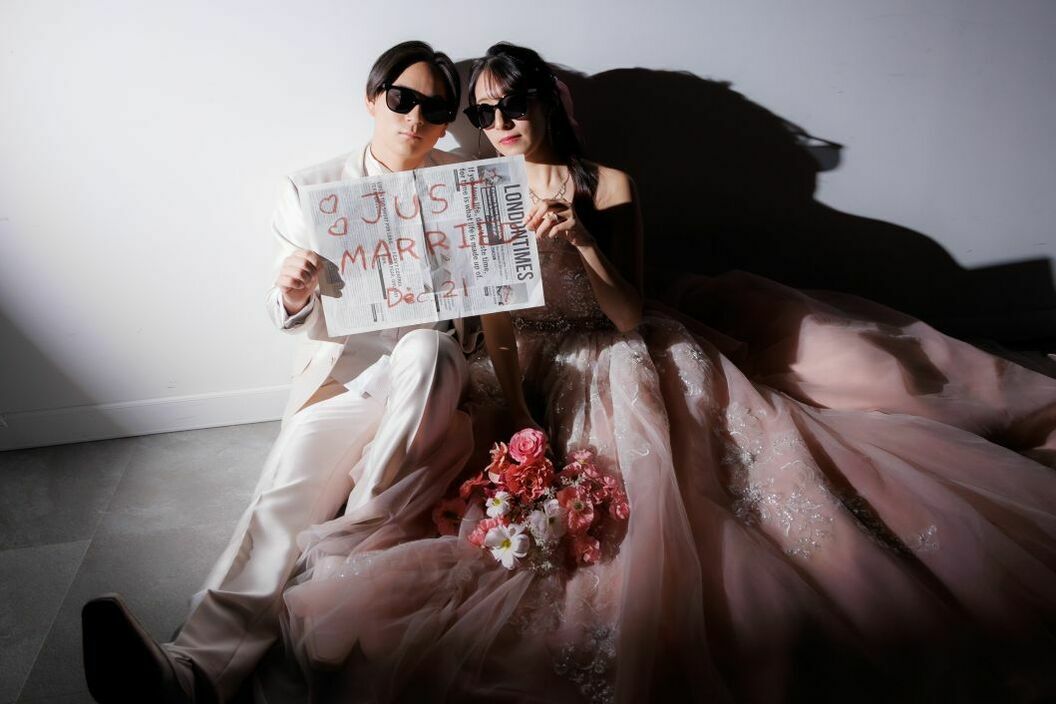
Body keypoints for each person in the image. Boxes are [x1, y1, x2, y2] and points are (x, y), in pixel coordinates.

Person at [258, 43, 1056, 702]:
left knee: (714, 478)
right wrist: (519, 404)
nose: (499, 126)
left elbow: (628, 314)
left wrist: (582, 240)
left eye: (513, 107)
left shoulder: (607, 184)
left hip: (612, 345)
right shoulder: (481, 188)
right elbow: (497, 316)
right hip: (526, 359)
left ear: (546, 104)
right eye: (484, 113)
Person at [81, 40, 477, 704]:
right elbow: (290, 313)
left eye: (434, 109)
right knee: (282, 495)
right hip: (348, 376)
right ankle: (189, 674)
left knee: (428, 350)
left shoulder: (470, 183)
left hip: (432, 376)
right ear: (373, 100)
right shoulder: (311, 188)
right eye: (401, 99)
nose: (415, 117)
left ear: (446, 124)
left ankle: (348, 544)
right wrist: (292, 293)